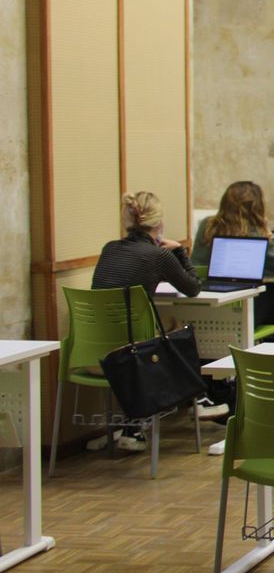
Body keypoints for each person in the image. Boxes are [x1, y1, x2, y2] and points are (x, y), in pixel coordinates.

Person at [91, 192, 218, 449]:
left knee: (155, 324)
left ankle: (136, 424)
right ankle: (199, 396)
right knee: (176, 328)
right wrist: (180, 252)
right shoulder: (158, 256)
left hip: (98, 352)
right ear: (159, 224)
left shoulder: (109, 249)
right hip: (135, 355)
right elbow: (193, 287)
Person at [193, 180, 274, 334]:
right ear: (256, 207)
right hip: (240, 314)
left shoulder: (206, 226)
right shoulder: (255, 234)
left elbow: (196, 263)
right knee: (273, 292)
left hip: (205, 309)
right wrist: (268, 233)